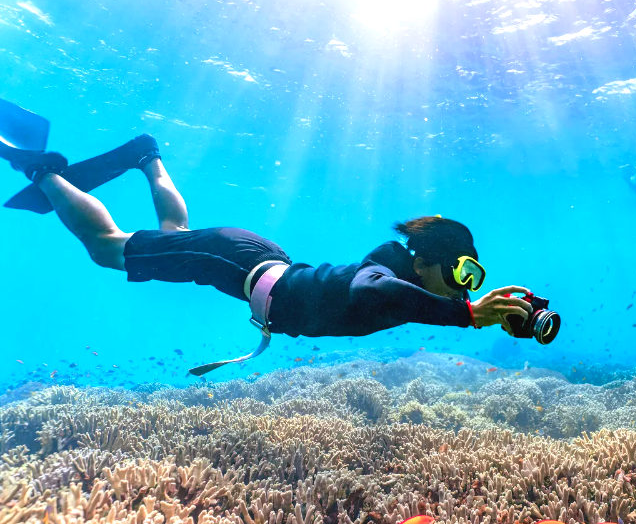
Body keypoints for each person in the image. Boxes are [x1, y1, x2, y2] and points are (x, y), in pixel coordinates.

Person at [1, 101, 532, 375]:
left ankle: (147, 155)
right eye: (463, 273)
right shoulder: (387, 273)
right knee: (107, 248)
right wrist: (466, 314)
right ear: (428, 262)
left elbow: (396, 299)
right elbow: (369, 290)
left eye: (474, 279)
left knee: (177, 235)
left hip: (252, 260)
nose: (465, 287)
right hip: (235, 262)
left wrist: (490, 313)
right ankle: (41, 169)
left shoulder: (406, 281)